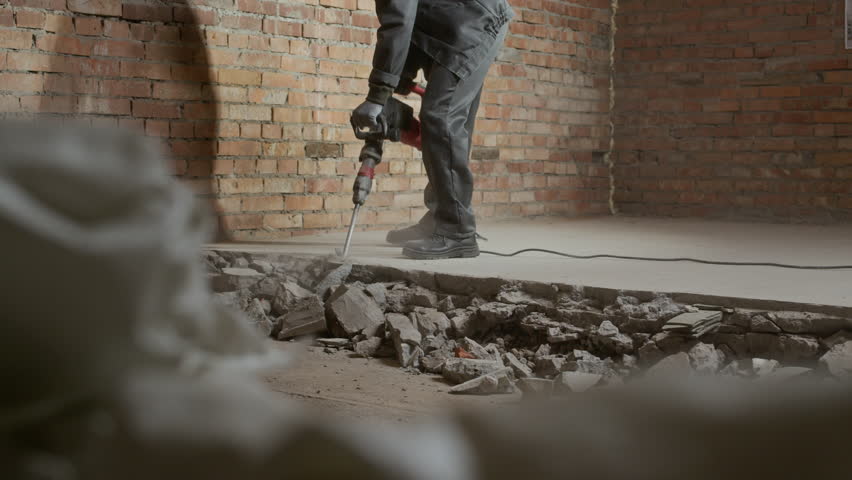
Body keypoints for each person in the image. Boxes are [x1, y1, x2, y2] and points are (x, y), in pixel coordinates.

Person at [351, 0, 514, 260]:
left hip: (472, 22)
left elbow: (399, 22)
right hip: (450, 25)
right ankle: (440, 217)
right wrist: (397, 83)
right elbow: (411, 18)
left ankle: (457, 232)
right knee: (450, 122)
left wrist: (378, 94)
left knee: (442, 116)